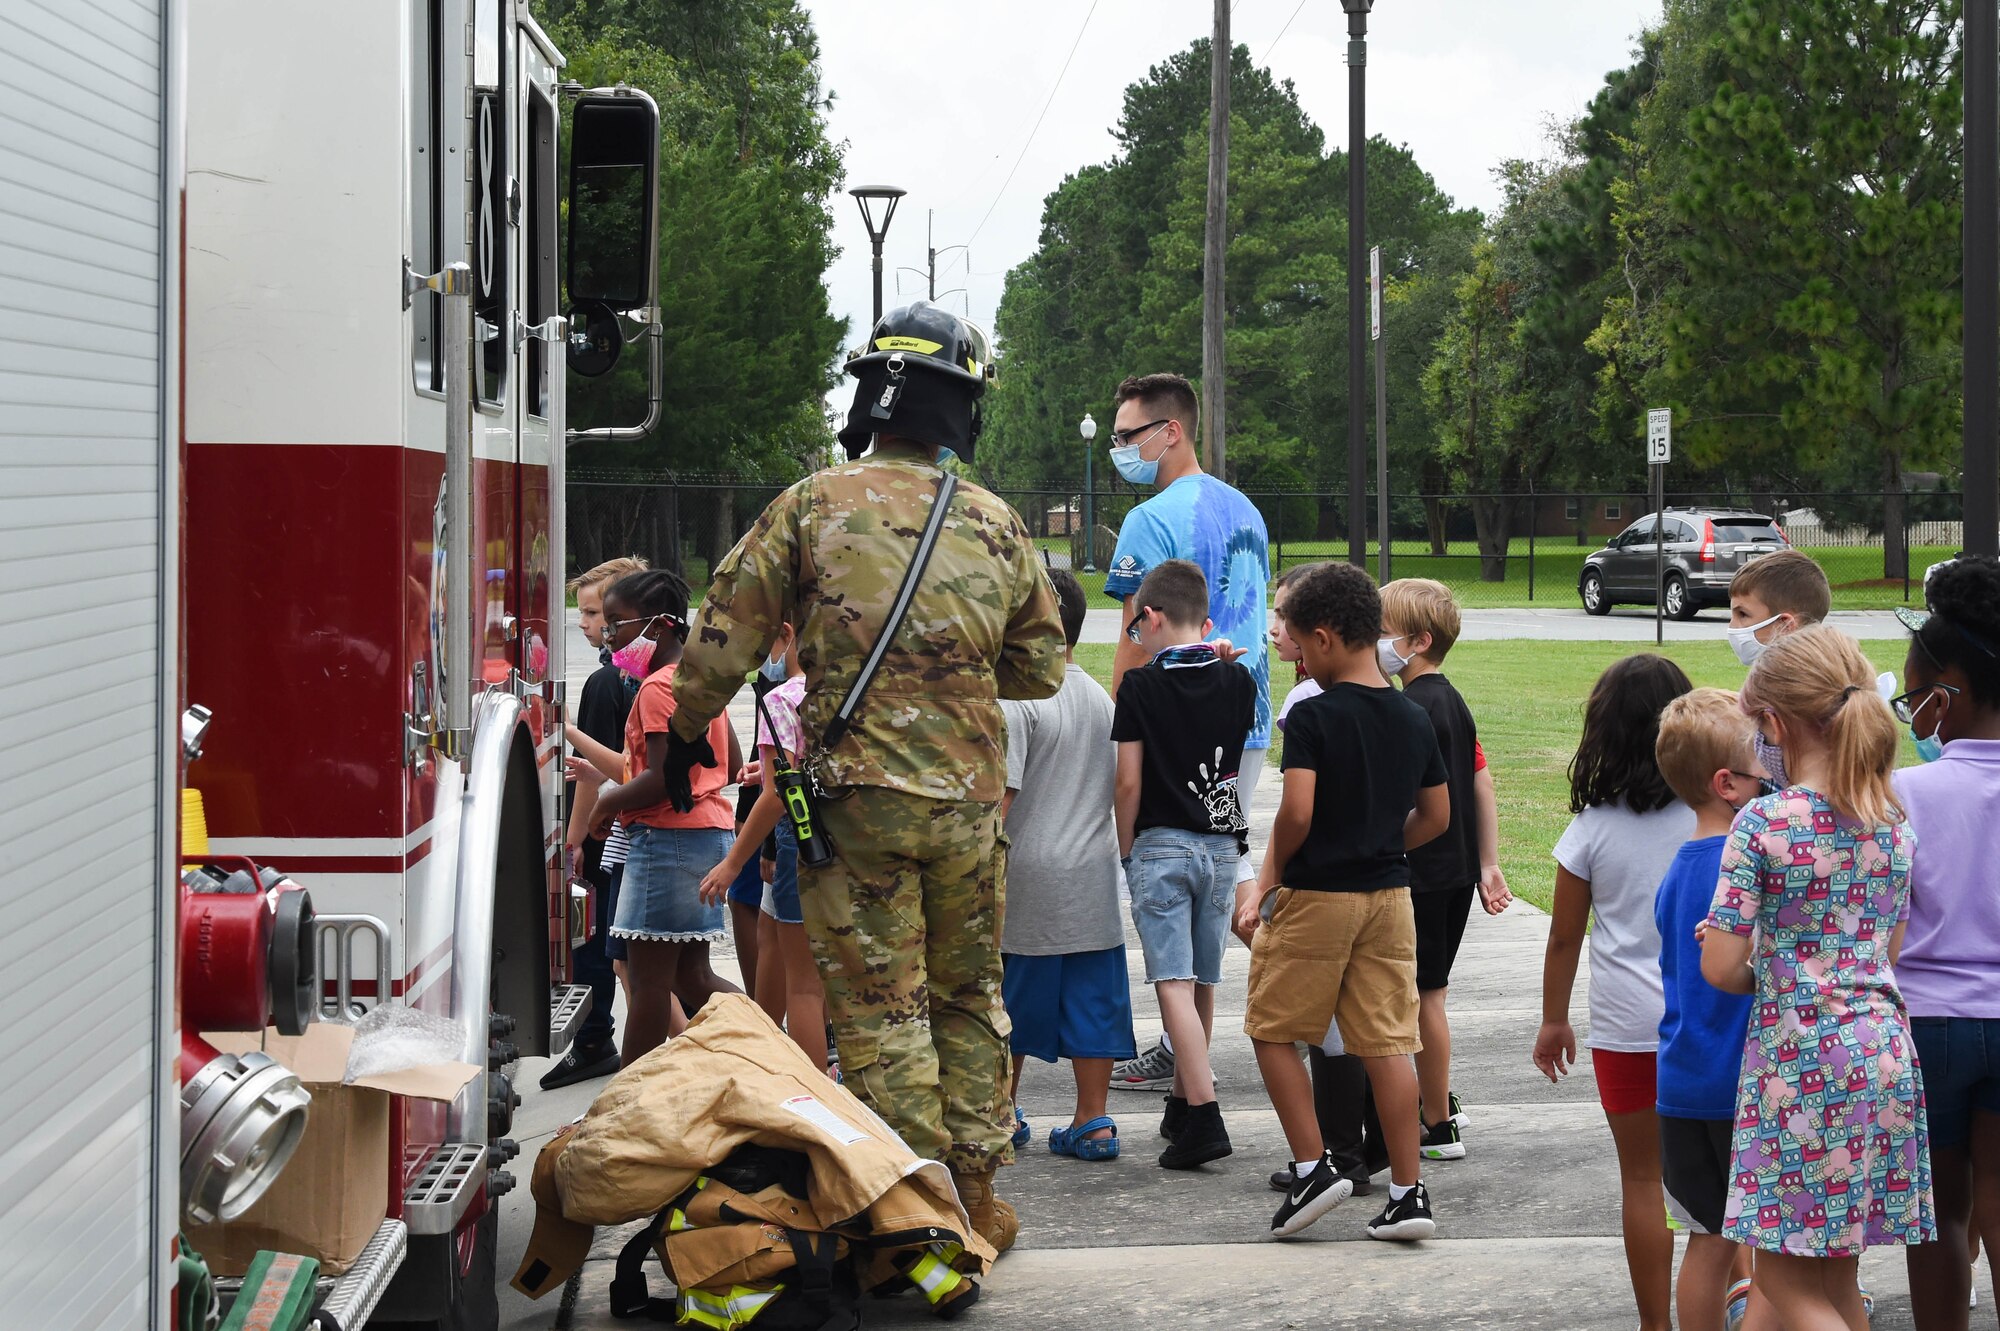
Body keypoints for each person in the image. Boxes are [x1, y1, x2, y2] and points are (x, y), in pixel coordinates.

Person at [654, 301, 1065, 1256]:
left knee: (883, 1009)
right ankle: (980, 1196)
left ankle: (912, 1210)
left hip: (854, 803)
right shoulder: (998, 523)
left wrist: (683, 731)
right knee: (969, 995)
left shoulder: (809, 504)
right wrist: (949, 678)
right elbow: (1040, 668)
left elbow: (724, 636)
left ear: (872, 399)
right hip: (967, 804)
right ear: (963, 408)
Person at [1701, 625, 1933, 1329]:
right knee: (1836, 1279)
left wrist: (1755, 958)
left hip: (1801, 1065)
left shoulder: (1761, 821)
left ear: (1775, 723)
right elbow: (1883, 948)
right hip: (1882, 1053)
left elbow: (1720, 965)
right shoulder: (1890, 821)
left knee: (1785, 1280)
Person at [1234, 560, 1449, 1241]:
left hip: (1319, 894)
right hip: (1390, 897)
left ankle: (1313, 1164)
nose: (1294, 652)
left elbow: (1297, 809)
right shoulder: (1413, 715)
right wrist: (1385, 840)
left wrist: (1269, 875)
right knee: (1387, 1041)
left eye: (1296, 639)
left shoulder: (1315, 715)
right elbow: (1436, 816)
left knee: (1273, 1029)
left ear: (1323, 638)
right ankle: (1409, 1194)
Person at [1104, 372, 1271, 1097]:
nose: (1120, 450)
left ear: (1171, 431)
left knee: (1176, 880)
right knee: (1224, 874)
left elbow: (1133, 635)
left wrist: (1117, 719)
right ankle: (1324, 1009)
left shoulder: (1148, 520)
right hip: (1246, 719)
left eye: (1128, 435)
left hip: (1169, 725)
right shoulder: (1248, 511)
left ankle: (1319, 1006)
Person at [1534, 653, 1694, 1331]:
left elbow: (1565, 938)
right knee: (1729, 1181)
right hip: (1714, 1024)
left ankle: (1655, 1324)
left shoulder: (1591, 829)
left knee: (1643, 1180)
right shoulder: (1721, 817)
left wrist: (1553, 1020)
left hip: (1627, 1026)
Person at [1112, 558, 1253, 1169]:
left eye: (1137, 625)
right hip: (1222, 848)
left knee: (1169, 981)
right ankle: (1179, 1103)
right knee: (1202, 980)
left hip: (1162, 845)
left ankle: (1204, 1112)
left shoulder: (1139, 687)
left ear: (1153, 615)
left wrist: (1125, 851)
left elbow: (1127, 785)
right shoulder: (1239, 680)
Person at [1891, 555, 2000, 1326]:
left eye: (1911, 694)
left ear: (1945, 694)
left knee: (1936, 1212)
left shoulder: (1901, 793)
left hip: (1923, 1025)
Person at [999, 569, 1136, 1162]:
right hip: (1092, 873)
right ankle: (1093, 1119)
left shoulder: (1017, 700)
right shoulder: (1101, 699)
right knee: (1092, 998)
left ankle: (1000, 1110)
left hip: (1028, 875)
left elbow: (1000, 802)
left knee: (1005, 1002)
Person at [584, 569, 743, 1066]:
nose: (611, 637)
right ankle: (767, 1048)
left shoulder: (656, 688)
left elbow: (657, 777)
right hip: (707, 833)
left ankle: (628, 1104)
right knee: (689, 977)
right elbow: (731, 765)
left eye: (618, 623)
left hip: (667, 842)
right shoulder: (698, 682)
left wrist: (606, 804)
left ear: (661, 626)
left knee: (649, 984)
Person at [1377, 578, 1512, 1163]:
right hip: (1453, 870)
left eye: (1382, 633)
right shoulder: (1451, 699)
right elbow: (1480, 779)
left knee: (1422, 996)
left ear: (1419, 640)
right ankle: (1437, 1102)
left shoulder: (1412, 708)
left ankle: (1436, 1121)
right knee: (1429, 991)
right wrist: (1487, 862)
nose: (1375, 643)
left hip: (1422, 871)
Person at [1651, 689, 1762, 1331]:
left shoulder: (1678, 868)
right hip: (1739, 1085)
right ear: (1729, 785)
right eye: (1764, 772)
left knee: (1708, 1242)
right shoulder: (1742, 864)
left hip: (1682, 1082)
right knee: (1756, 1245)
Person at [697, 622, 828, 1074]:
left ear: (788, 634)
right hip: (838, 837)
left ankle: (813, 1096)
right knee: (770, 938)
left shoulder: (781, 698)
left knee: (805, 987)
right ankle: (766, 1062)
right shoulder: (843, 689)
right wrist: (767, 769)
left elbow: (776, 797)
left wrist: (733, 863)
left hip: (798, 838)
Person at [541, 555, 646, 1091]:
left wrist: (576, 837)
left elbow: (595, 777)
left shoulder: (607, 683)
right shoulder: (636, 676)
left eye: (590, 613)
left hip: (608, 835)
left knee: (603, 946)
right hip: (628, 832)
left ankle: (594, 1040)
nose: (581, 623)